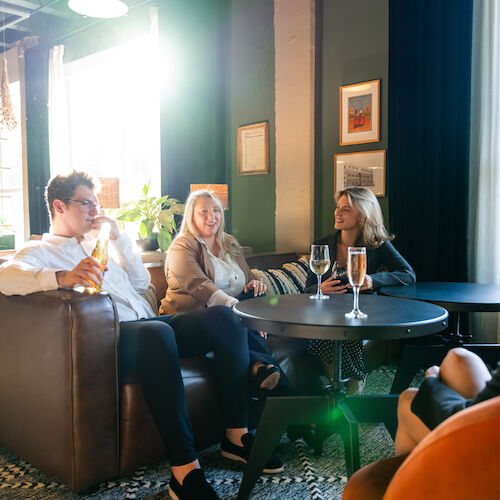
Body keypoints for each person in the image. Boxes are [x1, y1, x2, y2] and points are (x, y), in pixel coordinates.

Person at [0, 172, 282, 500]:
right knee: (157, 331)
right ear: (59, 206)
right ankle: (185, 471)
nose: (95, 210)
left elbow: (139, 284)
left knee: (225, 317)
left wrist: (120, 239)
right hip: (114, 338)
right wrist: (62, 276)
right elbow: (6, 278)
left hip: (150, 326)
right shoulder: (40, 250)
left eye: (97, 203)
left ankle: (236, 436)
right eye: (86, 203)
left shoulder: (98, 245)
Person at [160, 189, 287, 392]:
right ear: (191, 215)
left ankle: (261, 368)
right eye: (204, 212)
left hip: (233, 315)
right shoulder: (181, 246)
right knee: (235, 319)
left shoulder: (230, 242)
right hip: (193, 319)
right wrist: (245, 316)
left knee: (256, 296)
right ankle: (285, 389)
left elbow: (247, 278)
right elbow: (201, 287)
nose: (212, 217)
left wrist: (255, 285)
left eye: (216, 210)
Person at [304, 186, 416, 395]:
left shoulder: (377, 245)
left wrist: (373, 280)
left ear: (363, 215)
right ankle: (348, 384)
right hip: (328, 310)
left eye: (346, 209)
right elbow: (307, 287)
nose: (337, 212)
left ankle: (347, 386)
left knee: (348, 332)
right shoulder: (321, 244)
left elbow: (408, 274)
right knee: (328, 333)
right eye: (338, 207)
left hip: (362, 309)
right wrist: (320, 287)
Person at [395, 347, 500, 455]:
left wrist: (432, 382)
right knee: (459, 358)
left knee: (408, 401)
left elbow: (464, 422)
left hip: (487, 448)